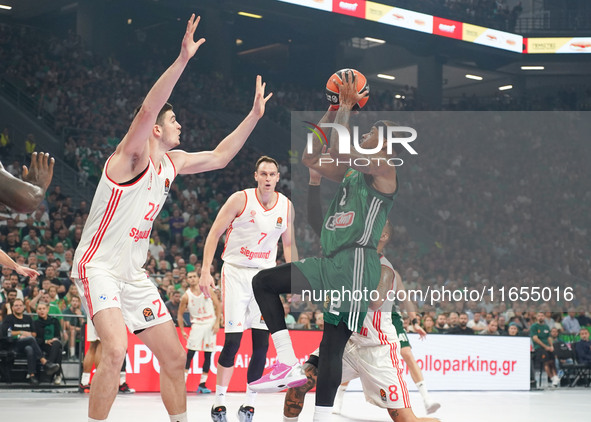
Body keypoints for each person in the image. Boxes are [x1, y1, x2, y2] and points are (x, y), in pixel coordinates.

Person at [70, 14, 272, 422]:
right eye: (173, 121)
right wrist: (181, 61)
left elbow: (220, 156)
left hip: (133, 274)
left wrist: (253, 117)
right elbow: (149, 108)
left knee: (176, 356)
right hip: (98, 268)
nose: (179, 124)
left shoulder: (173, 163)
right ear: (156, 131)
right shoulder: (131, 157)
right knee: (114, 348)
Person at [250, 71, 400, 422]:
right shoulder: (351, 172)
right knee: (264, 283)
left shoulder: (385, 168)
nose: (365, 135)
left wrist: (346, 107)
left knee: (332, 344)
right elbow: (310, 156)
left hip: (358, 263)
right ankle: (288, 361)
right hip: (330, 261)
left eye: (372, 134)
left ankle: (321, 417)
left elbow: (341, 149)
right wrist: (331, 111)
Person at [300, 168, 439, 418]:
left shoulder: (385, 269)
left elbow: (374, 302)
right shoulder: (349, 255)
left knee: (406, 419)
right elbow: (318, 224)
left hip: (377, 349)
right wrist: (315, 180)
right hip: (348, 342)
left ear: (383, 235)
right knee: (301, 382)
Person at [199, 155, 296, 422]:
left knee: (262, 345)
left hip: (265, 278)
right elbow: (214, 233)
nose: (267, 179)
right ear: (256, 176)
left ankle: (249, 405)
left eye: (272, 174)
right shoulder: (239, 199)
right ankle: (219, 403)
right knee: (232, 342)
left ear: (278, 177)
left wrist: (295, 277)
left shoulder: (286, 206)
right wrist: (205, 270)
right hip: (235, 273)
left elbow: (288, 245)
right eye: (263, 174)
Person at [178, 271, 221, 394]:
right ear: (187, 280)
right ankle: (182, 382)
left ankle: (202, 384)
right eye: (189, 277)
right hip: (197, 324)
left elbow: (218, 305)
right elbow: (180, 315)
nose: (192, 279)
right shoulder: (186, 296)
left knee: (208, 354)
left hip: (210, 323)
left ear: (198, 278)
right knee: (190, 353)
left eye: (194, 277)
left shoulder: (206, 290)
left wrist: (217, 322)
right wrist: (181, 330)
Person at [0, 298, 60, 384]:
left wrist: (27, 335)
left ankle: (32, 376)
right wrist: (21, 333)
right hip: (14, 344)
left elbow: (34, 333)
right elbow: (7, 332)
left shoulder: (28, 318)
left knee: (30, 348)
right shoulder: (9, 318)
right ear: (12, 308)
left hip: (28, 344)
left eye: (20, 305)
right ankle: (45, 362)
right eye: (16, 306)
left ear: (24, 307)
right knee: (30, 340)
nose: (18, 307)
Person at [34, 302, 64, 384]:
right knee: (58, 352)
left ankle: (49, 365)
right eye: (39, 309)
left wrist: (54, 339)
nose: (42, 311)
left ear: (47, 310)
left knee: (57, 343)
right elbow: (36, 339)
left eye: (44, 309)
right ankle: (57, 375)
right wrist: (46, 341)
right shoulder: (35, 323)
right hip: (41, 345)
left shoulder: (54, 321)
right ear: (36, 311)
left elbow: (58, 336)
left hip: (53, 344)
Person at [531, 311, 560, 387]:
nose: (540, 317)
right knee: (546, 362)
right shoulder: (534, 326)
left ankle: (555, 377)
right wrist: (545, 347)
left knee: (552, 361)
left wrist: (551, 346)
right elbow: (535, 339)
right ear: (536, 317)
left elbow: (549, 337)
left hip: (548, 348)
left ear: (544, 317)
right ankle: (552, 378)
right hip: (539, 348)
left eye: (542, 316)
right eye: (539, 316)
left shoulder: (546, 327)